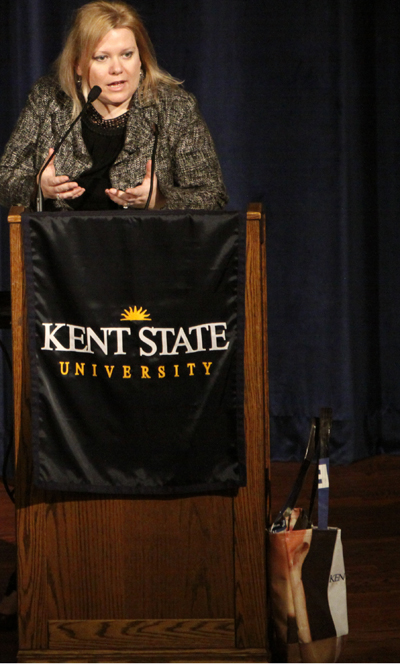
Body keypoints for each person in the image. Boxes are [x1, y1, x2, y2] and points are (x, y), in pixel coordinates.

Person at [0, 0, 228, 211]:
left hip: (148, 250)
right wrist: (39, 189)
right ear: (78, 64)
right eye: (102, 57)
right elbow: (5, 180)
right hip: (62, 250)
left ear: (141, 58)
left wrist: (160, 200)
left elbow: (213, 196)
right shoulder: (48, 100)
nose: (117, 69)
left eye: (127, 54)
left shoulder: (174, 108)